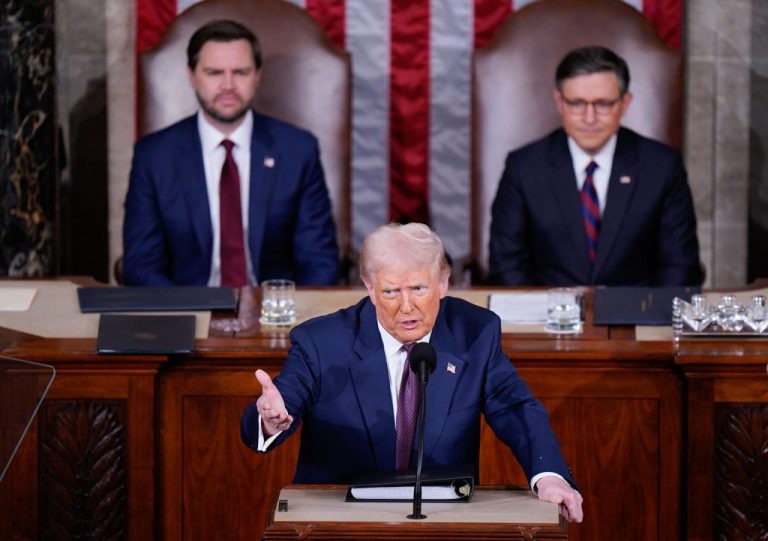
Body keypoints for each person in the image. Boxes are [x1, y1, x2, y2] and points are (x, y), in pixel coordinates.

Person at [241, 222, 583, 523]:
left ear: (444, 283)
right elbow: (285, 397)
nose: (407, 307)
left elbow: (515, 408)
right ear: (369, 288)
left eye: (419, 289)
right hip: (340, 522)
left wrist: (549, 474)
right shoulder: (321, 341)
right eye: (391, 291)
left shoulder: (475, 333)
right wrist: (270, 419)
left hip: (441, 520)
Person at [123, 20, 339, 287]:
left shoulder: (297, 150)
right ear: (192, 76)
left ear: (257, 75)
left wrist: (292, 317)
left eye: (240, 72)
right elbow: (141, 264)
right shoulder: (154, 156)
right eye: (214, 72)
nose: (228, 85)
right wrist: (185, 313)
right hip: (187, 315)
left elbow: (319, 260)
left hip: (276, 315)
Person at [488, 46, 702, 287]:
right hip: (548, 318)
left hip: (636, 317)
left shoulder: (662, 166)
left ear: (625, 103)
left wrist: (653, 321)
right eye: (577, 104)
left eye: (603, 104)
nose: (589, 118)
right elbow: (507, 265)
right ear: (559, 102)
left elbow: (680, 266)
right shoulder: (524, 167)